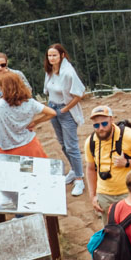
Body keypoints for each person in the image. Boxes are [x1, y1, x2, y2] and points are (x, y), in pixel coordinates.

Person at [83, 105, 131, 231]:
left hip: (130, 192)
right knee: (112, 235)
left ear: (111, 120)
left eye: (104, 123)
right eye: (96, 125)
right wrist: (93, 196)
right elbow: (90, 169)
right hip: (105, 196)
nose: (101, 128)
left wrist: (127, 162)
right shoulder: (90, 142)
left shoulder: (130, 136)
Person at [43, 43, 88, 197]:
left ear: (62, 55)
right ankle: (75, 170)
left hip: (64, 110)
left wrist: (65, 109)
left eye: (54, 55)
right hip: (53, 109)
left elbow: (79, 93)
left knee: (71, 146)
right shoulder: (49, 72)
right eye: (49, 55)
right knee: (63, 144)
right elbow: (48, 91)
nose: (51, 58)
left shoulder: (68, 72)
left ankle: (79, 178)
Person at [0, 69, 54, 157]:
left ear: (2, 87)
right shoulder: (30, 102)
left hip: (7, 150)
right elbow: (52, 113)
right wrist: (35, 122)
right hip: (30, 146)